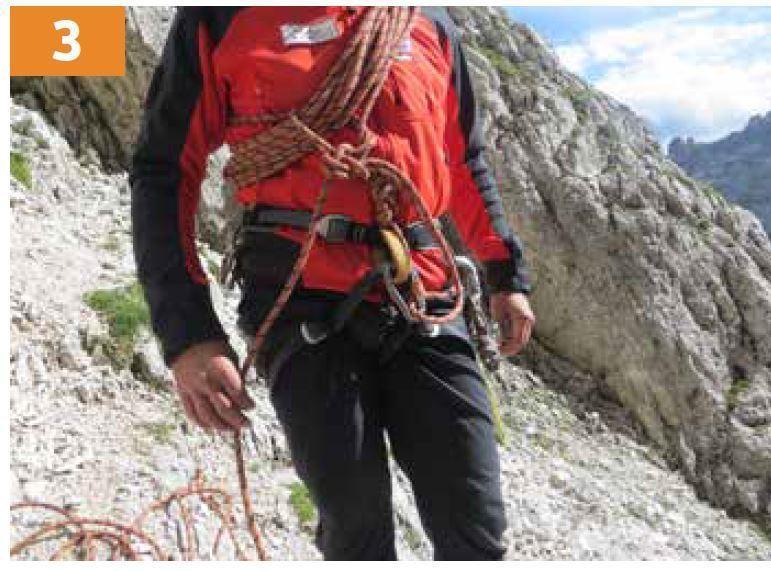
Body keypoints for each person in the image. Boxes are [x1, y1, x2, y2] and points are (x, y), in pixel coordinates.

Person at [131, 6, 535, 561]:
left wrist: (504, 272)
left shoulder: (427, 24)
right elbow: (165, 170)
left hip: (422, 293)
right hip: (300, 297)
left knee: (476, 522)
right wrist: (188, 334)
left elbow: (463, 159)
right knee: (355, 527)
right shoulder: (220, 17)